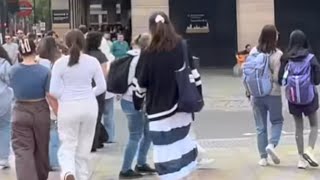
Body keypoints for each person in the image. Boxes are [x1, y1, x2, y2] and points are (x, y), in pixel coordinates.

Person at [133, 12, 201, 179]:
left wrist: (137, 101)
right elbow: (194, 74)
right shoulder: (183, 46)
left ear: (151, 28)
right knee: (182, 145)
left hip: (159, 109)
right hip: (182, 106)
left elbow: (140, 83)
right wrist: (197, 96)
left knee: (164, 150)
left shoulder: (148, 52)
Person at [50, 29, 106, 180]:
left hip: (68, 107)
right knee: (84, 149)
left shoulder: (60, 64)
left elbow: (53, 90)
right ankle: (82, 176)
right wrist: (88, 93)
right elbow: (102, 87)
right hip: (89, 106)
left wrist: (67, 96)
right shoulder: (93, 62)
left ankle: (68, 172)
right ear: (84, 42)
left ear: (66, 44)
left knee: (68, 144)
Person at [9, 38, 53, 180]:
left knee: (22, 150)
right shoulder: (45, 71)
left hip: (20, 109)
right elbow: (49, 95)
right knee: (41, 148)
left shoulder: (13, 71)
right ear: (35, 51)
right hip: (40, 109)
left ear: (20, 53)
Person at [278, 30, 320, 169]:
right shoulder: (311, 57)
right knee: (314, 125)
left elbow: (280, 79)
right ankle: (310, 149)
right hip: (309, 97)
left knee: (298, 128)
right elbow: (317, 80)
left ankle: (301, 159)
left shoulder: (286, 58)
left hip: (293, 97)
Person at [119, 33, 156, 179]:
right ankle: (125, 169)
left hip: (131, 100)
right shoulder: (142, 60)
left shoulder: (132, 57)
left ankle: (141, 163)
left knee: (147, 133)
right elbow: (142, 83)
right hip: (135, 101)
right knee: (135, 135)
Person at [249, 25, 284, 166]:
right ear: (274, 37)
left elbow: (248, 73)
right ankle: (272, 144)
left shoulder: (253, 52)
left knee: (260, 126)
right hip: (273, 93)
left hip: (256, 93)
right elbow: (277, 78)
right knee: (277, 121)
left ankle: (263, 157)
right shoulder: (278, 54)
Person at [37, 36, 62, 171]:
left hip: (41, 100)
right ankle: (53, 160)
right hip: (55, 98)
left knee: (44, 133)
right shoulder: (58, 61)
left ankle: (45, 160)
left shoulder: (39, 62)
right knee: (54, 130)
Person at [85, 31, 109, 152]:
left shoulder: (84, 54)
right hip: (98, 90)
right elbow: (104, 74)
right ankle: (94, 142)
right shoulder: (101, 56)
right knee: (97, 116)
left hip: (85, 88)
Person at [0, 45, 13, 169]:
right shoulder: (4, 63)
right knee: (4, 127)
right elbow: (10, 80)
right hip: (3, 99)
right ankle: (3, 158)